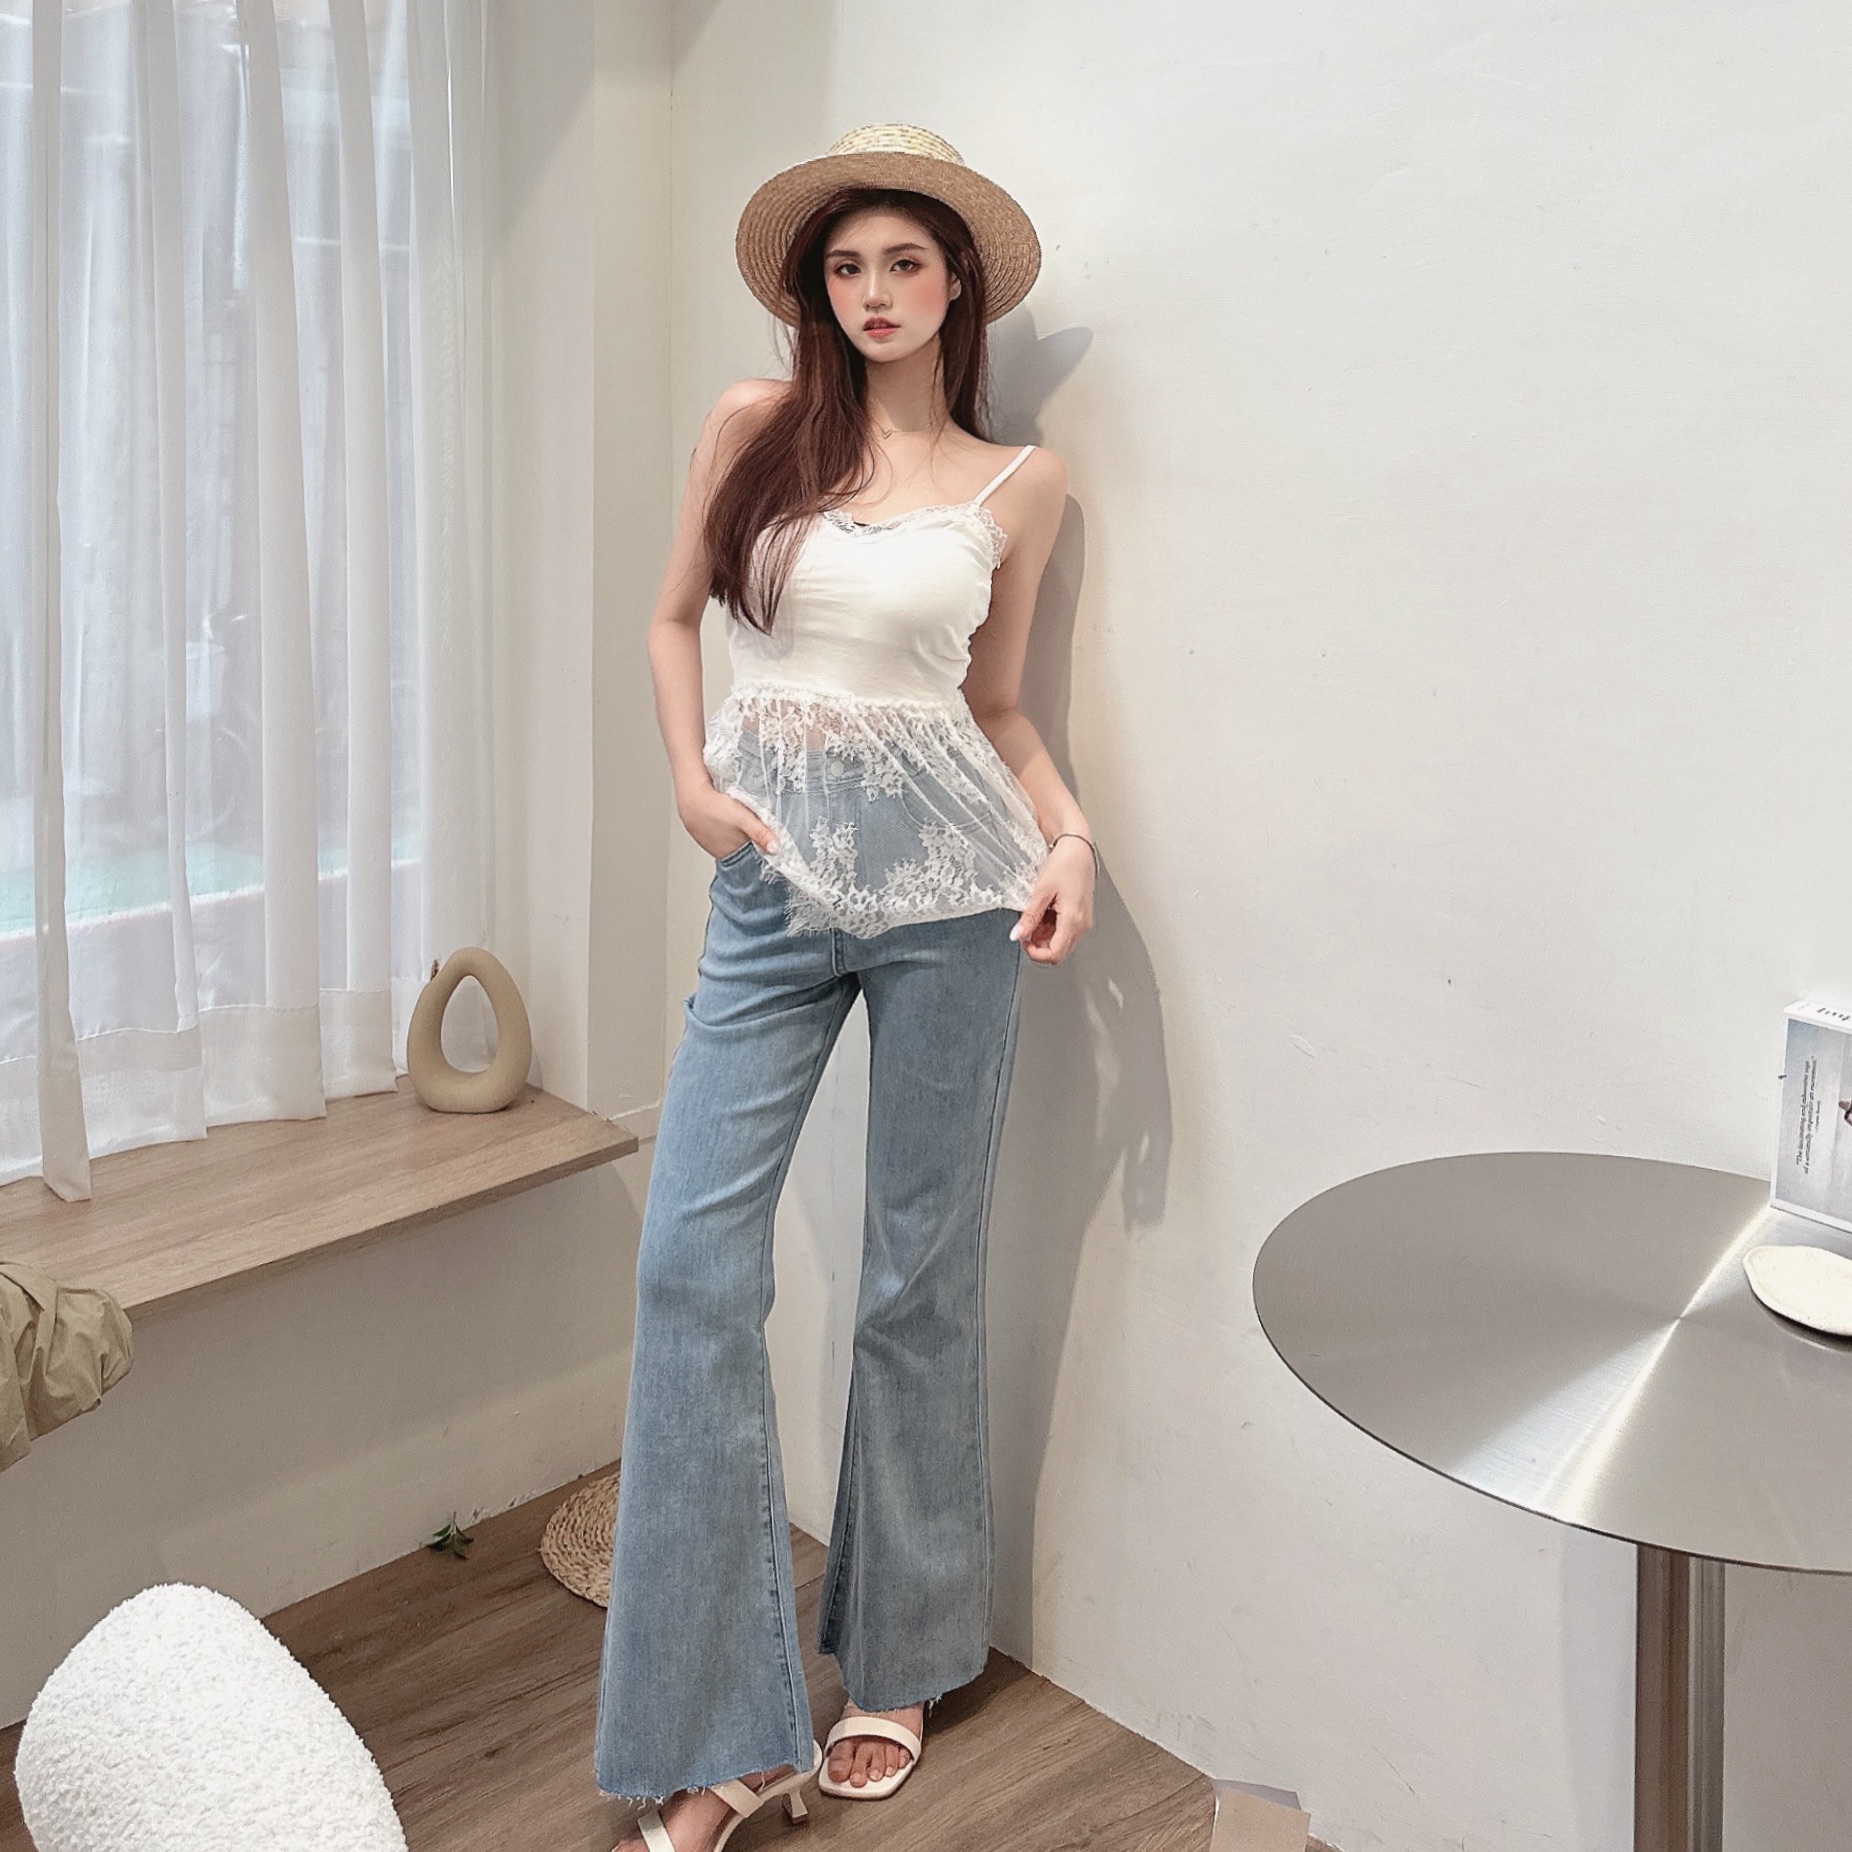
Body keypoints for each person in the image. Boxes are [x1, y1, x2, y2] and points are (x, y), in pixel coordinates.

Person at [594, 123, 1096, 1852]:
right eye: (847, 267)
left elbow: (997, 709)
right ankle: (728, 1736)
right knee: (690, 1267)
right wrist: (690, 782)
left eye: (905, 264)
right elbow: (674, 618)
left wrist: (1071, 841)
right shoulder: (760, 426)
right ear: (820, 290)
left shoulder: (1020, 483)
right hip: (774, 890)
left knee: (915, 1277)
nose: (874, 293)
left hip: (962, 898)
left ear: (958, 288)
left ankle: (902, 1655)